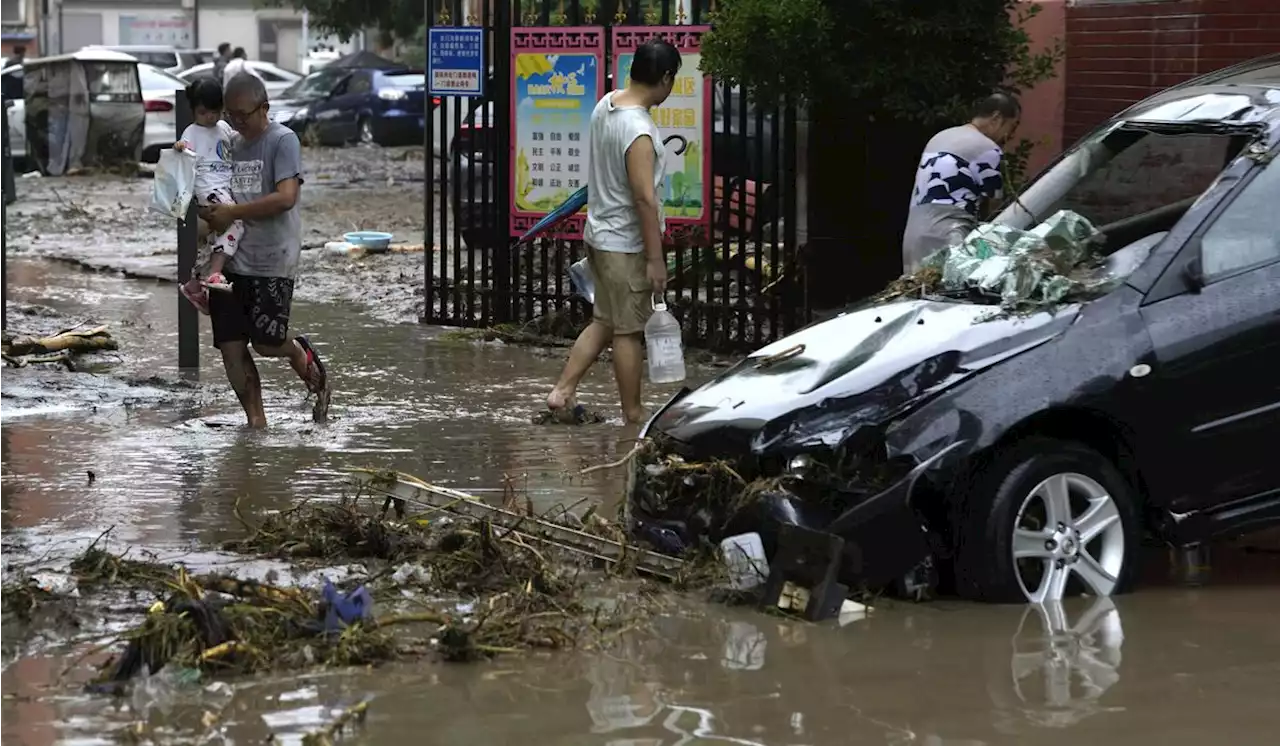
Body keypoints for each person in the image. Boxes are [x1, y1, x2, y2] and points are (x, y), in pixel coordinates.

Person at [545, 37, 681, 424]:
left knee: (604, 322)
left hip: (599, 235)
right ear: (666, 78)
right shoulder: (637, 130)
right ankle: (634, 415)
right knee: (628, 332)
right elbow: (644, 200)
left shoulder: (607, 104)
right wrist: (655, 261)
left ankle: (562, 391)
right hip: (624, 244)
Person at [202, 72, 331, 427]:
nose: (236, 121)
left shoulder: (282, 140)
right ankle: (256, 425)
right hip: (229, 261)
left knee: (266, 343)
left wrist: (234, 213)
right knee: (230, 346)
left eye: (243, 114)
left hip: (273, 258)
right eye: (231, 115)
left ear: (264, 108)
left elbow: (287, 198)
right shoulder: (229, 142)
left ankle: (297, 351)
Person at [902, 91, 1021, 274]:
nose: (1009, 136)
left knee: (914, 295)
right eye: (1012, 128)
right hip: (949, 236)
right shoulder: (988, 149)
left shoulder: (940, 137)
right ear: (996, 118)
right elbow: (994, 208)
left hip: (913, 236)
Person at [173, 77, 243, 315]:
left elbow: (238, 143)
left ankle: (195, 284)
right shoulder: (191, 132)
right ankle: (215, 273)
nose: (210, 117)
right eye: (203, 112)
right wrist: (180, 149)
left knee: (212, 241)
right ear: (193, 110)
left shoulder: (223, 128)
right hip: (208, 190)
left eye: (214, 111)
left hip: (226, 187)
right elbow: (181, 153)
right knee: (237, 222)